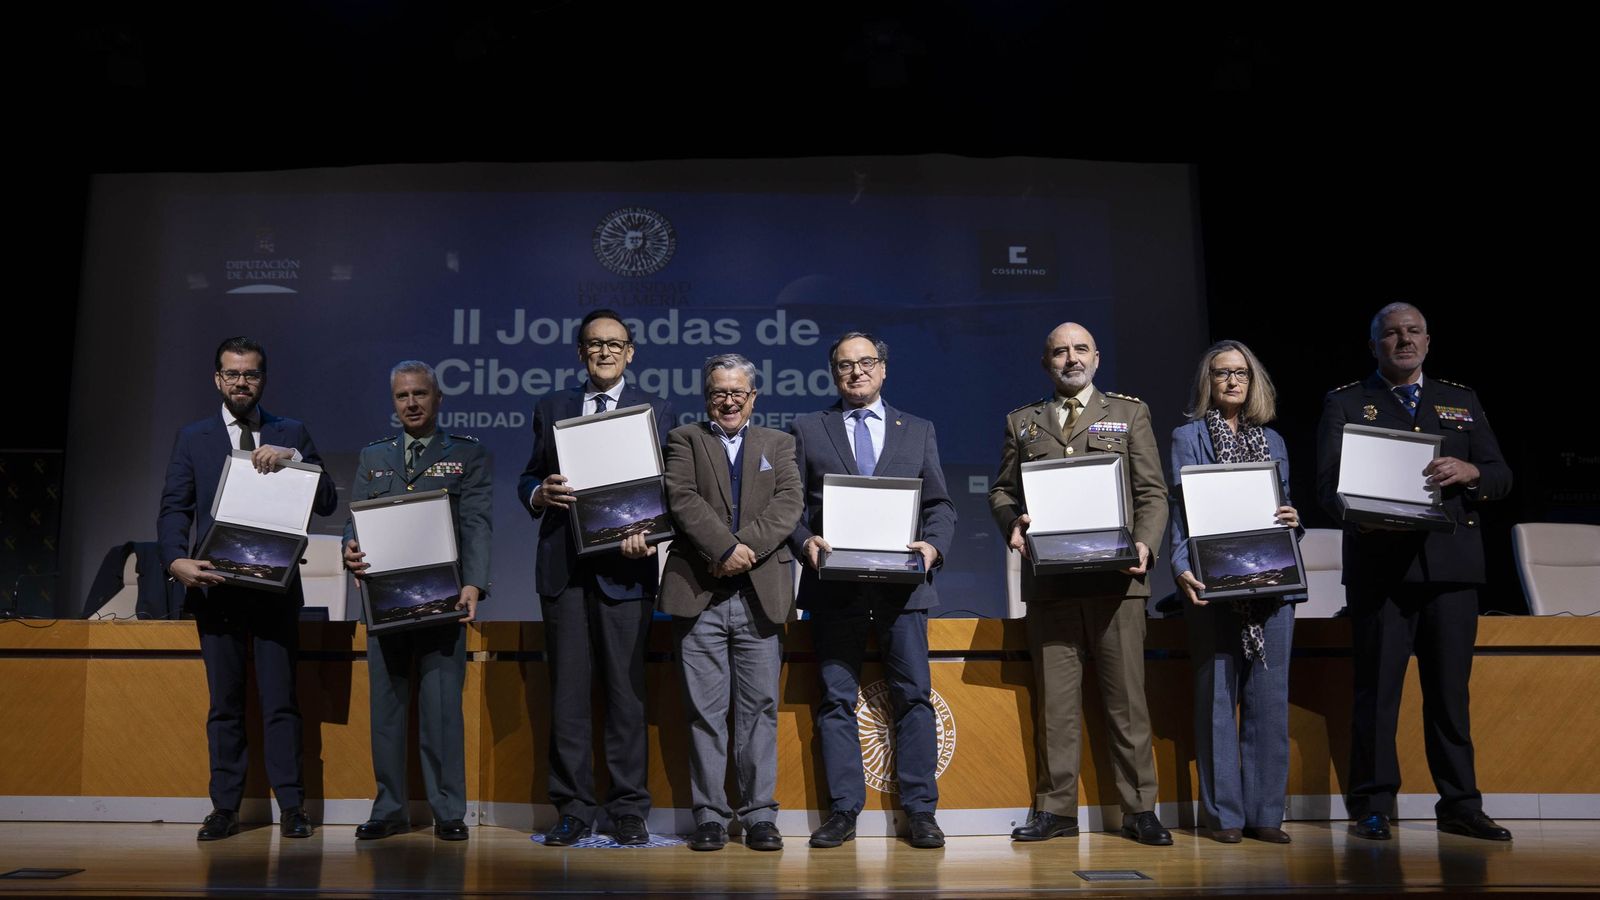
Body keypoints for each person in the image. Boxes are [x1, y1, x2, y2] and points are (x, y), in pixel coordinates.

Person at [1316, 302, 1513, 842]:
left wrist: (1472, 471)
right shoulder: (1348, 402)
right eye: (1391, 334)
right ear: (1374, 345)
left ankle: (1460, 804)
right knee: (1376, 695)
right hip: (1381, 571)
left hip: (1451, 572)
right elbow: (1329, 486)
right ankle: (1373, 806)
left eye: (1413, 332)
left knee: (1450, 696)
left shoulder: (1461, 400)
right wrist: (1361, 517)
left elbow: (1500, 474)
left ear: (1428, 340)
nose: (1403, 341)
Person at [988, 321, 1172, 846]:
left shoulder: (1129, 413)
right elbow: (1002, 492)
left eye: (1080, 349)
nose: (1071, 358)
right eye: (1060, 352)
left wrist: (1145, 544)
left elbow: (1152, 494)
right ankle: (1056, 811)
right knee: (1056, 706)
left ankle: (1139, 810)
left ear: (1097, 357)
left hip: (1118, 584)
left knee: (1128, 704)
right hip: (1052, 585)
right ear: (1046, 362)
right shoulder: (1022, 422)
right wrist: (1012, 523)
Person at [157, 336, 337, 841]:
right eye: (232, 374)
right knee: (226, 704)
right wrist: (175, 561)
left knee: (281, 701)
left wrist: (296, 458)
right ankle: (224, 808)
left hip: (274, 590)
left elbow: (325, 500)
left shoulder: (290, 431)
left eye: (251, 374)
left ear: (263, 379)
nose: (241, 382)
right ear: (217, 379)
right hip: (215, 588)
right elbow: (175, 506)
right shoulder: (192, 437)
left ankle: (294, 807)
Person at [788, 332, 956, 850]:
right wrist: (804, 542)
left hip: (903, 588)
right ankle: (842, 812)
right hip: (834, 587)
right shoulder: (807, 428)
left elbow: (940, 506)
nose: (856, 372)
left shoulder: (918, 430)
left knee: (913, 698)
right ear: (833, 373)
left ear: (883, 369)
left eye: (866, 363)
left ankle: (921, 811)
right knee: (836, 700)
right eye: (845, 365)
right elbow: (790, 508)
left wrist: (931, 549)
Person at [516, 309, 672, 846]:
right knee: (568, 696)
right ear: (580, 353)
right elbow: (529, 475)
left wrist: (649, 535)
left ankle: (628, 809)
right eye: (594, 344)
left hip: (626, 569)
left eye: (615, 344)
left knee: (627, 696)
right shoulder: (552, 407)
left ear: (631, 352)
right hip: (564, 570)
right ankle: (574, 808)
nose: (604, 352)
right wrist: (539, 494)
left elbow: (665, 492)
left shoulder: (656, 412)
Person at [342, 361, 492, 842]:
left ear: (437, 398)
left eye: (420, 394)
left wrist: (475, 583)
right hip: (384, 604)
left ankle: (448, 811)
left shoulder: (466, 455)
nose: (411, 403)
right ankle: (388, 809)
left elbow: (476, 523)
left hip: (442, 601)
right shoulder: (373, 456)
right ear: (394, 402)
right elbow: (357, 519)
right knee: (386, 712)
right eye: (403, 396)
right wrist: (349, 545)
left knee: (443, 711)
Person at [660, 354, 803, 852]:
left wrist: (743, 552)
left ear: (753, 397)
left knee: (760, 708)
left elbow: (789, 503)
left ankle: (760, 815)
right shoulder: (684, 439)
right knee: (705, 711)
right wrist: (722, 548)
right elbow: (681, 498)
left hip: (760, 597)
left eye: (737, 393)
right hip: (700, 594)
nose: (728, 401)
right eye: (719, 392)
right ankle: (710, 817)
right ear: (707, 397)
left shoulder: (779, 443)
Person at [1167, 340, 1302, 844]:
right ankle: (1224, 816)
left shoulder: (1276, 442)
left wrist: (1295, 519)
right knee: (1217, 701)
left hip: (1272, 583)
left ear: (1254, 381)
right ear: (1209, 381)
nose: (1232, 381)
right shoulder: (1187, 437)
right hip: (1211, 580)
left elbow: (1284, 508)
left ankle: (1266, 814)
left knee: (1269, 702)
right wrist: (1182, 568)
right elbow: (1181, 509)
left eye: (1241, 373)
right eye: (1222, 373)